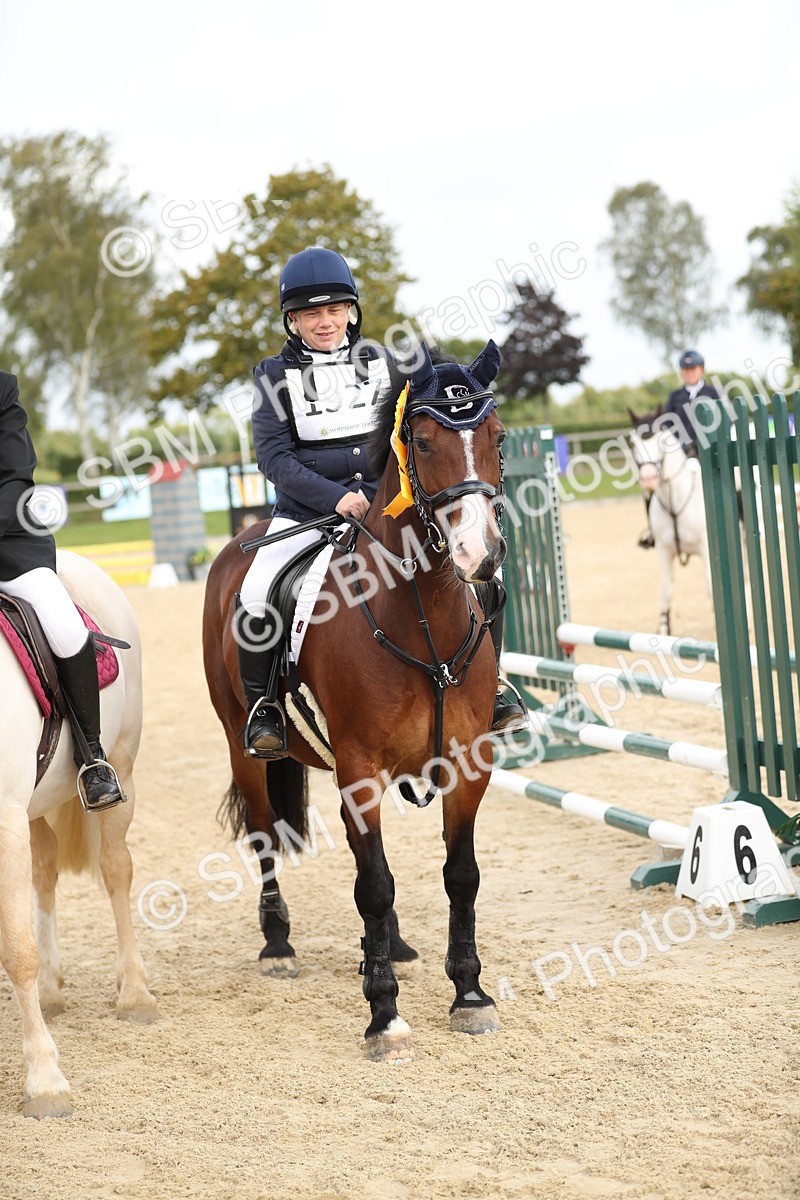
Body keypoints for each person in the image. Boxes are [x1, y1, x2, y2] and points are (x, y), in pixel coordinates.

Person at [236, 246, 525, 758]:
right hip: (308, 515)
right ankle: (266, 708)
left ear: (350, 311)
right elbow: (275, 459)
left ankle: (492, 687)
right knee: (258, 593)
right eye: (310, 313)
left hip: (387, 511)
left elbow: (422, 427)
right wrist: (337, 497)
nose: (324, 322)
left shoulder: (387, 365)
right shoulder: (272, 378)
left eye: (333, 310)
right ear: (293, 320)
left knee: (486, 578)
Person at [0, 371, 124, 810]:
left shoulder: (3, 389)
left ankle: (92, 757)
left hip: (8, 548)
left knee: (66, 628)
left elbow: (15, 480)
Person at [637, 348, 720, 549]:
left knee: (727, 479)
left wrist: (702, 445)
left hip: (708, 451)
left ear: (701, 370)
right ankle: (652, 530)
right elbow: (668, 425)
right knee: (652, 483)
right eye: (685, 369)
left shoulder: (712, 393)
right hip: (681, 453)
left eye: (693, 369)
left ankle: (735, 517)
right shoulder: (675, 397)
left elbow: (720, 421)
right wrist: (682, 445)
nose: (689, 373)